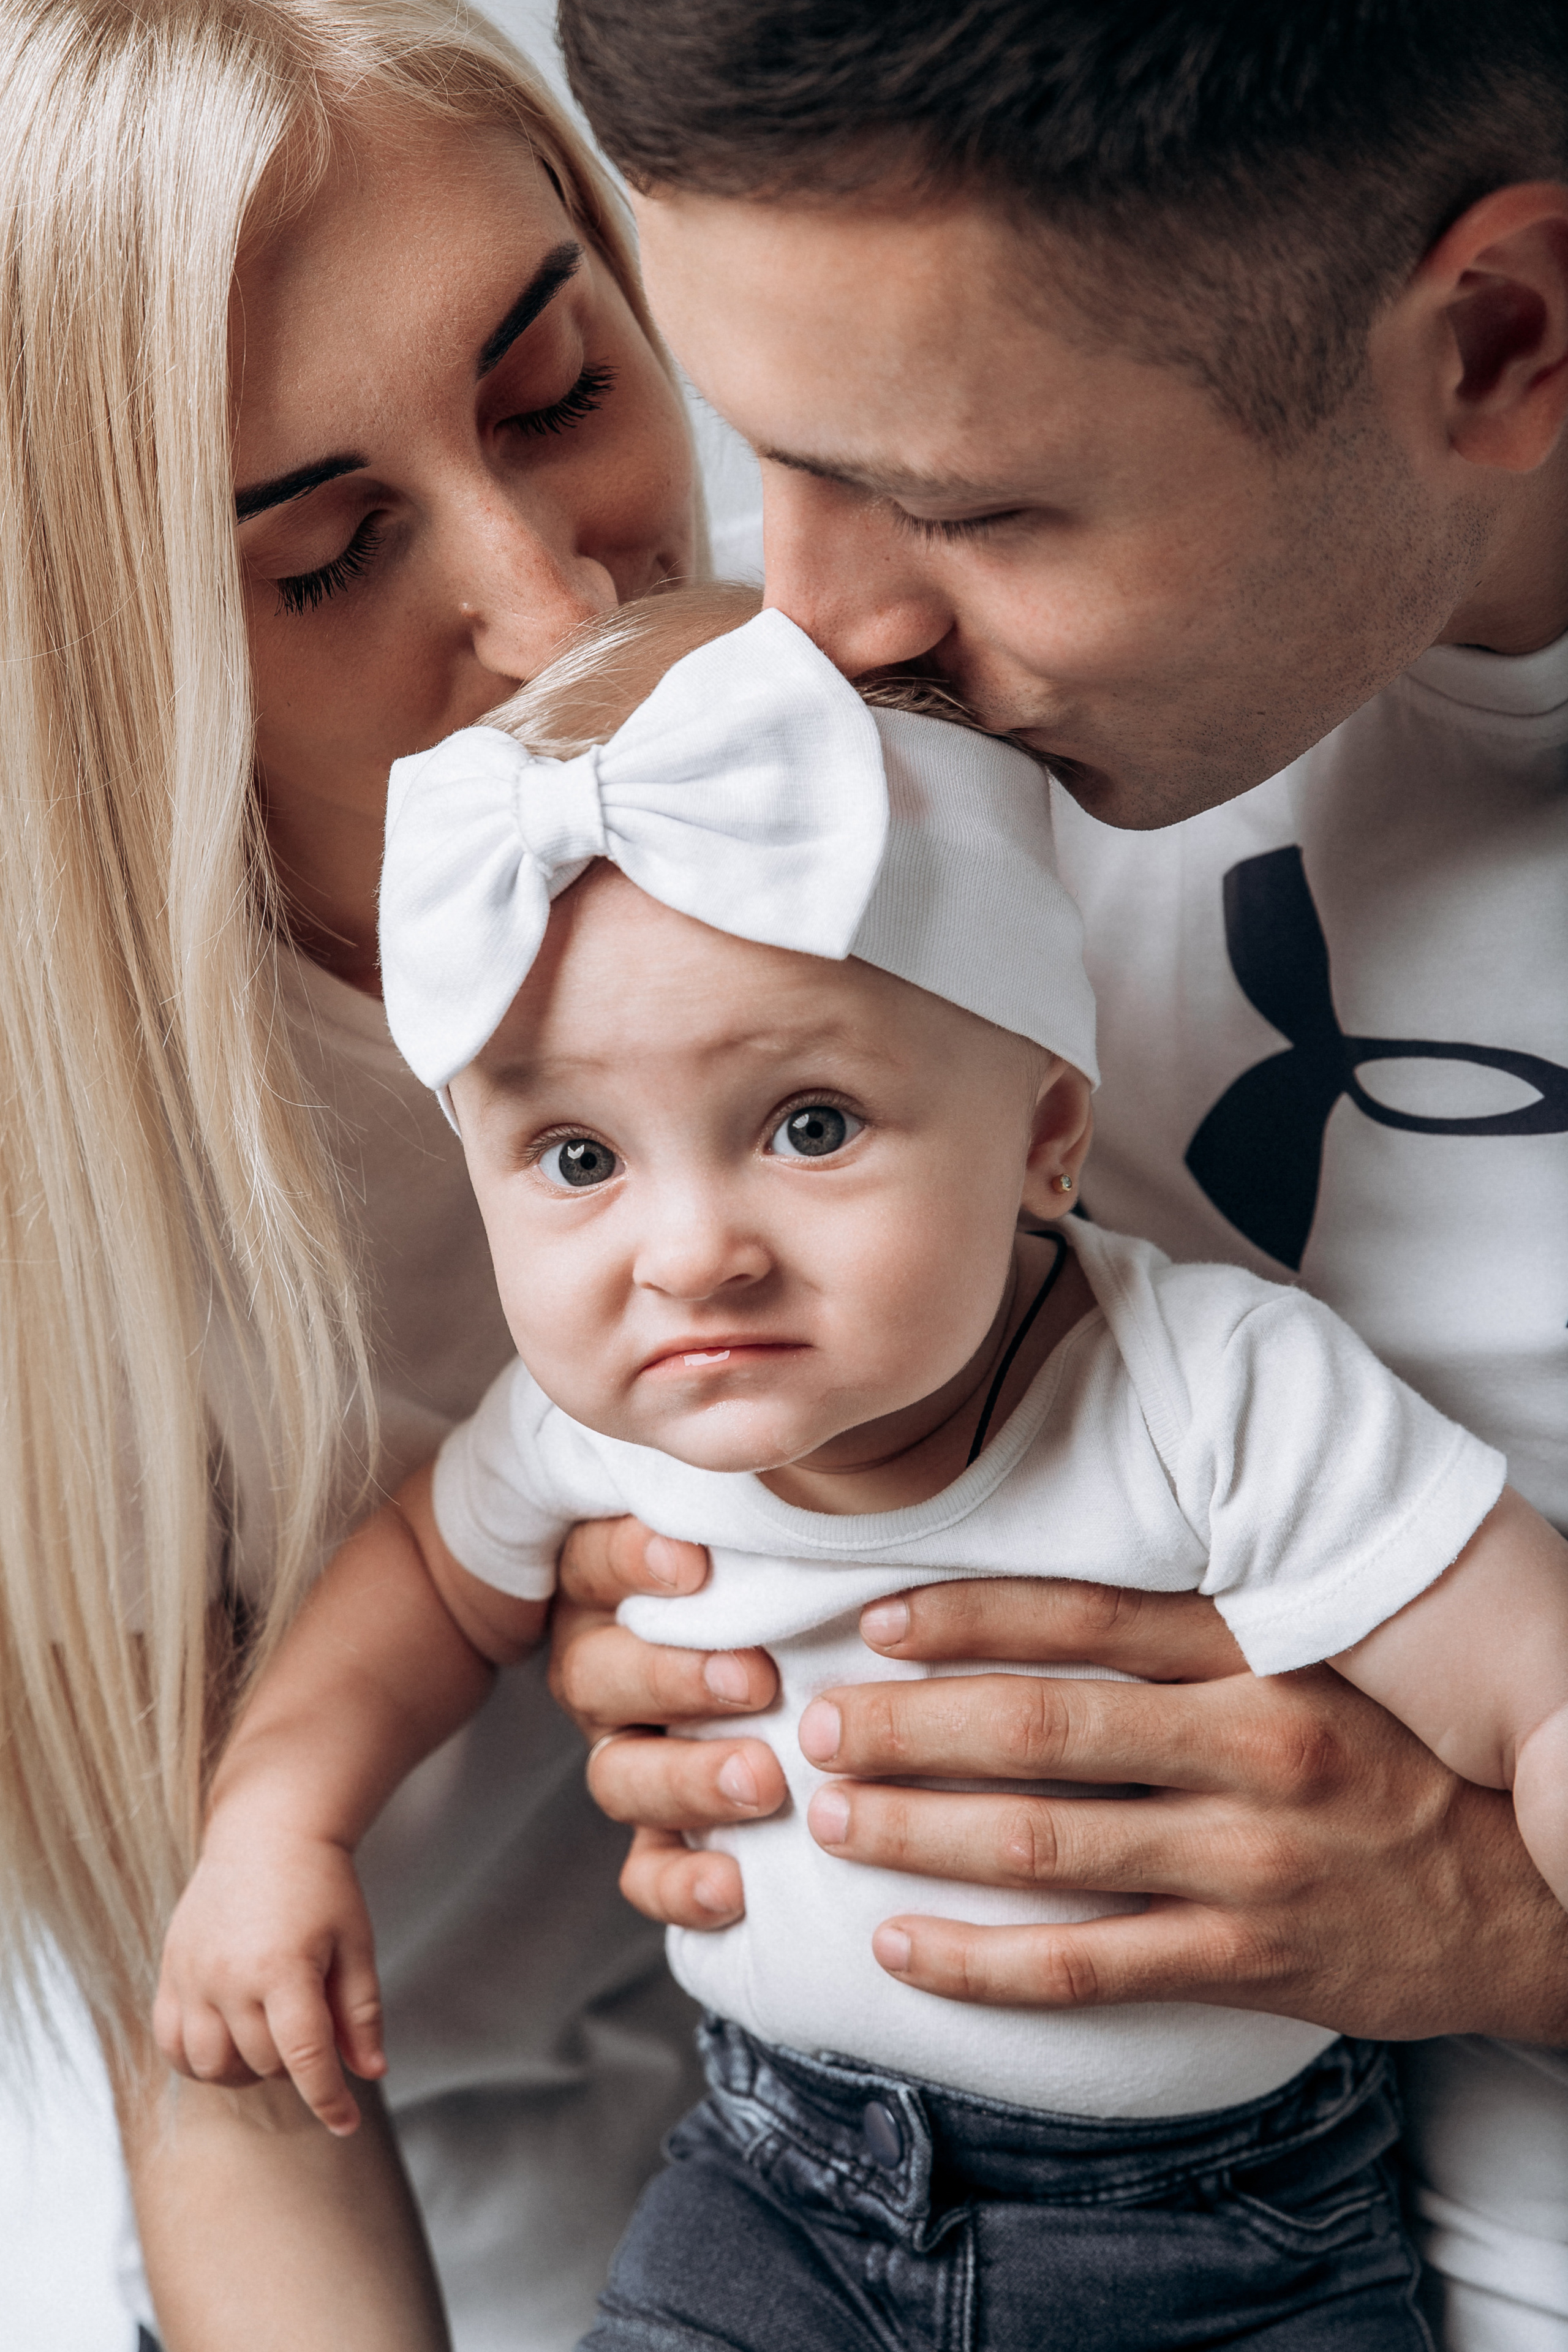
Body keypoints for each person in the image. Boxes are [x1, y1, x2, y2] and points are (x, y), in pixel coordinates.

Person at [153, 589, 1567, 2350]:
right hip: (779, 2191)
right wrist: (279, 1817)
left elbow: (1534, 1686)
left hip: (1225, 2247)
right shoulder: (593, 1429)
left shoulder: (1212, 1392)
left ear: (1048, 1136)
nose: (689, 1253)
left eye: (809, 1126)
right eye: (577, 1154)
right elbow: (424, 1584)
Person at [549, 4, 1568, 2344]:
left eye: (969, 507)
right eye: (760, 454)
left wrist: (1510, 1922)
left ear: (1495, 340)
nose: (817, 632)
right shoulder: (872, 763)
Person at [0, 3, 723, 2344]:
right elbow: (217, 2084)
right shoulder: (87, 1231)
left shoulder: (888, 764)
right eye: (325, 557)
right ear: (113, 674)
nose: (555, 609)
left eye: (558, 396)